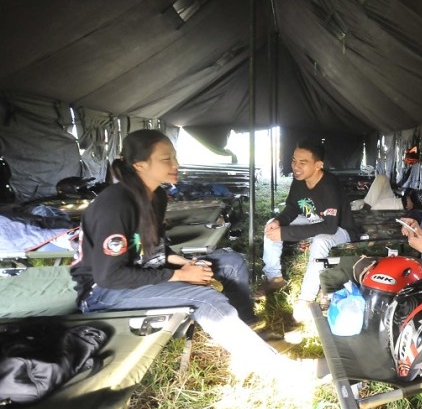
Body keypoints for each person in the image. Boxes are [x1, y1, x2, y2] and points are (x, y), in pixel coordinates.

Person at [71, 130, 283, 379]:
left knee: (232, 263)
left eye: (174, 157)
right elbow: (109, 276)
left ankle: (247, 331)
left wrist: (185, 263)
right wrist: (179, 275)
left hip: (141, 271)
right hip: (103, 293)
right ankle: (273, 367)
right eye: (166, 159)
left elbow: (155, 248)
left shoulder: (156, 196)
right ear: (140, 164)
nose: (176, 164)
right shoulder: (115, 205)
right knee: (205, 298)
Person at [262, 139, 359, 322]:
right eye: (294, 161)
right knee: (271, 225)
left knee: (321, 240)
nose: (296, 167)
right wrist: (279, 221)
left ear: (318, 165)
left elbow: (329, 227)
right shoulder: (300, 180)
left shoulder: (329, 186)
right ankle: (274, 278)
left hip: (340, 228)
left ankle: (306, 298)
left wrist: (284, 233)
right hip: (314, 219)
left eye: (303, 162)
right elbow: (292, 207)